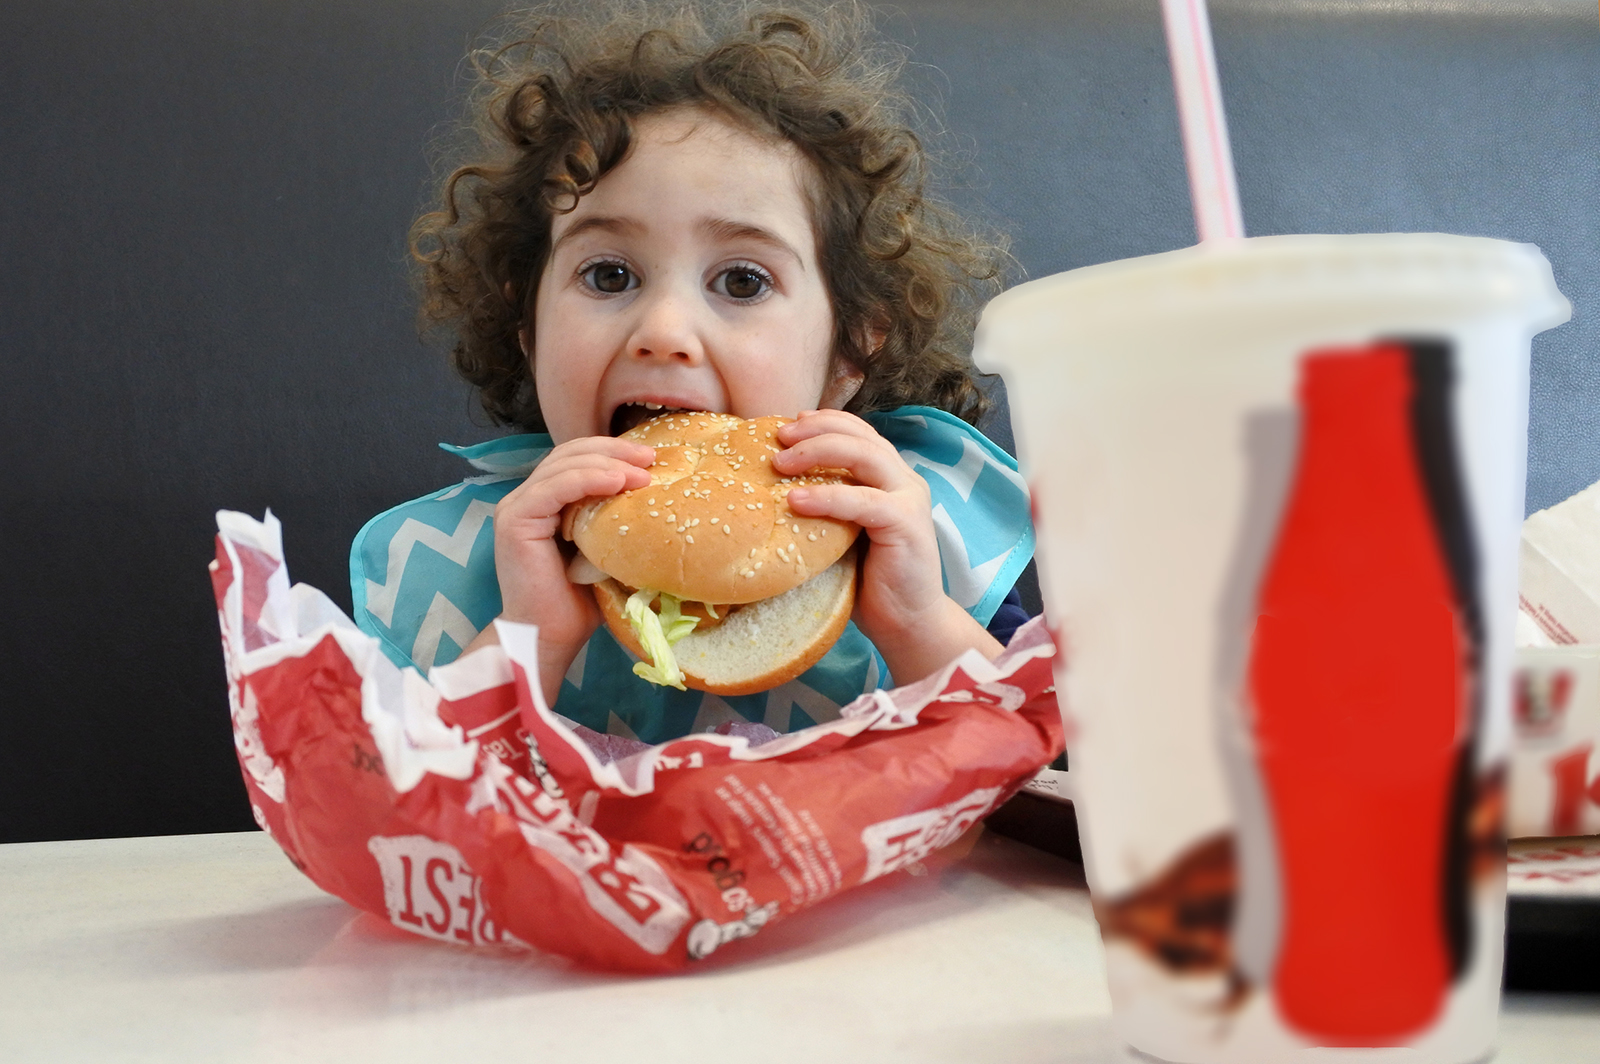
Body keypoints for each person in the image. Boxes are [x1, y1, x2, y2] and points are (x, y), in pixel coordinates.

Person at [351, 0, 1035, 744]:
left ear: (849, 354)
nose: (666, 332)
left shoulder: (919, 533)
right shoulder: (474, 562)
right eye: (609, 275)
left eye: (742, 282)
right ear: (529, 331)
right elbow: (395, 818)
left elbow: (1053, 779)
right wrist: (530, 635)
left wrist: (916, 622)